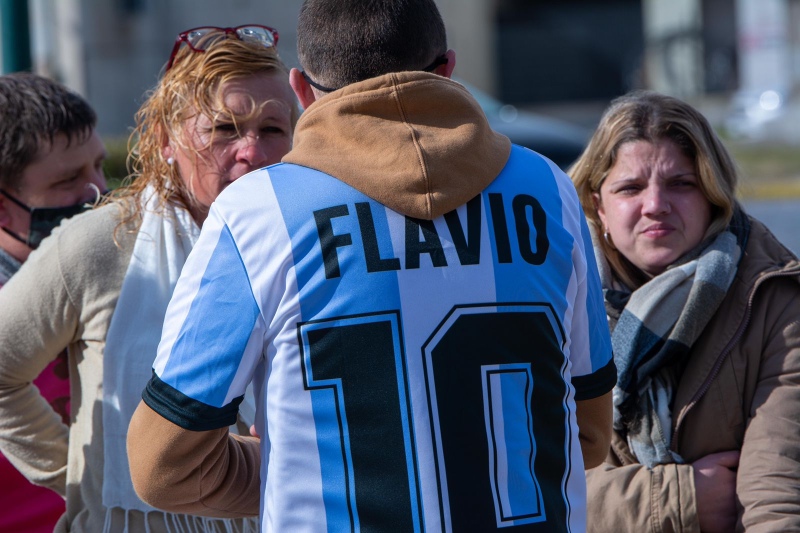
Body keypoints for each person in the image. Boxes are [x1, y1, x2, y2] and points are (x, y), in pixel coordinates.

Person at [127, 1, 616, 532]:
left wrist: (288, 472)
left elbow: (163, 468)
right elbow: (588, 433)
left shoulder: (257, 212)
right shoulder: (548, 189)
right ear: (448, 69)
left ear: (301, 89)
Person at [0, 26, 298, 533]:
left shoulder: (310, 236)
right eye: (224, 129)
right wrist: (78, 473)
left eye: (272, 128)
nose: (253, 151)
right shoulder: (100, 243)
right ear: (166, 140)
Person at [569, 90, 800, 532]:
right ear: (598, 205)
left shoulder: (774, 298)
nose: (656, 204)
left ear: (713, 194)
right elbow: (524, 486)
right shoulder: (553, 300)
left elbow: (778, 494)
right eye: (630, 188)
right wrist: (681, 498)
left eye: (681, 184)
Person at [0, 71, 106, 533]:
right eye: (69, 180)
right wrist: (90, 487)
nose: (97, 192)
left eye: (99, 166)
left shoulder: (116, 273)